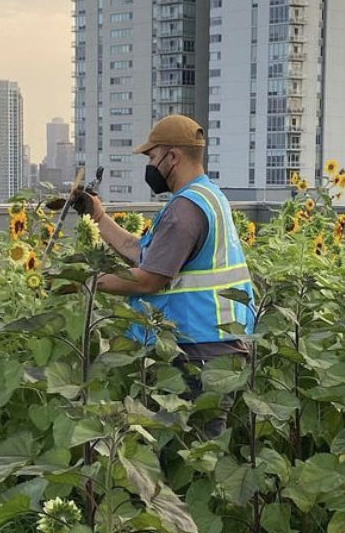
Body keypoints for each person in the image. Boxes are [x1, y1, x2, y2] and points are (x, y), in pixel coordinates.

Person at [68, 115, 255, 428]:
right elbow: (141, 253)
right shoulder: (206, 196)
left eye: (152, 157)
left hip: (199, 352)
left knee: (191, 451)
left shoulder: (185, 210)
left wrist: (86, 283)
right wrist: (98, 216)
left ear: (173, 156)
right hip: (214, 344)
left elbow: (148, 279)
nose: (150, 166)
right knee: (193, 452)